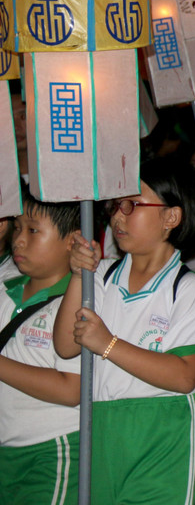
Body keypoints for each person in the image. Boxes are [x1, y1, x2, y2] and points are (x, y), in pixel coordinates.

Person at [53, 157, 195, 504]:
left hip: (161, 431)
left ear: (171, 217)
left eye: (131, 205)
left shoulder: (186, 288)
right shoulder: (102, 275)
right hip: (102, 425)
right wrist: (78, 274)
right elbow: (66, 345)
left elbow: (185, 375)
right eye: (115, 206)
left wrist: (108, 344)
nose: (117, 216)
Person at [0, 195, 81, 503]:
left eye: (33, 231)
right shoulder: (5, 292)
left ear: (72, 241)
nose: (18, 240)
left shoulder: (78, 302)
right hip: (7, 449)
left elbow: (70, 389)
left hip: (51, 451)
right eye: (17, 227)